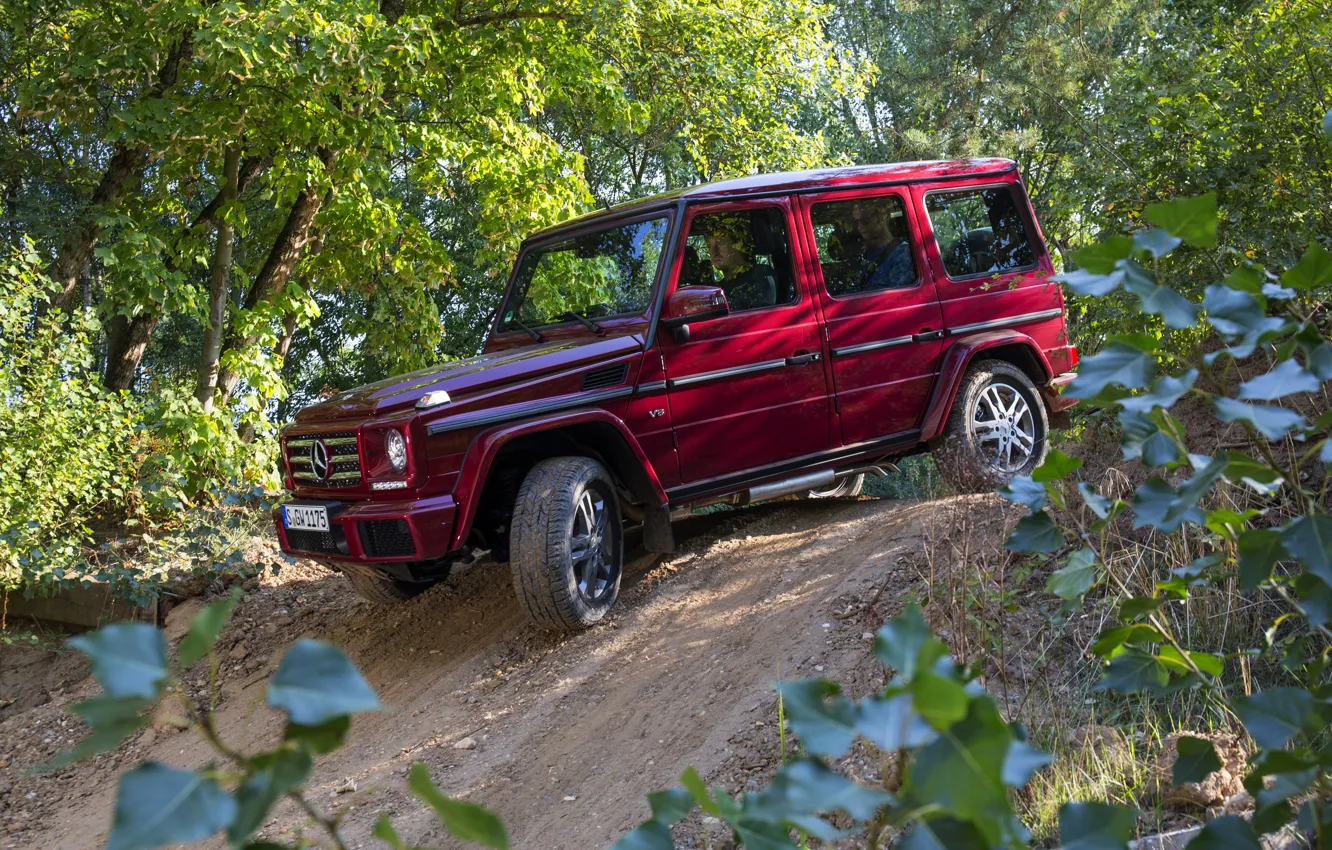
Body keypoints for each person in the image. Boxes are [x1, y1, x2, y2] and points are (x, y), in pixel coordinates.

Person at [696, 214, 777, 311]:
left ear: (739, 243)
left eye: (721, 243)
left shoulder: (761, 276)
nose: (713, 252)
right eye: (709, 246)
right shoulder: (717, 289)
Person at [850, 198, 915, 290]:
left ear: (882, 218)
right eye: (856, 222)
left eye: (865, 220)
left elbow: (897, 297)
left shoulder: (903, 253)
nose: (859, 226)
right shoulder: (863, 253)